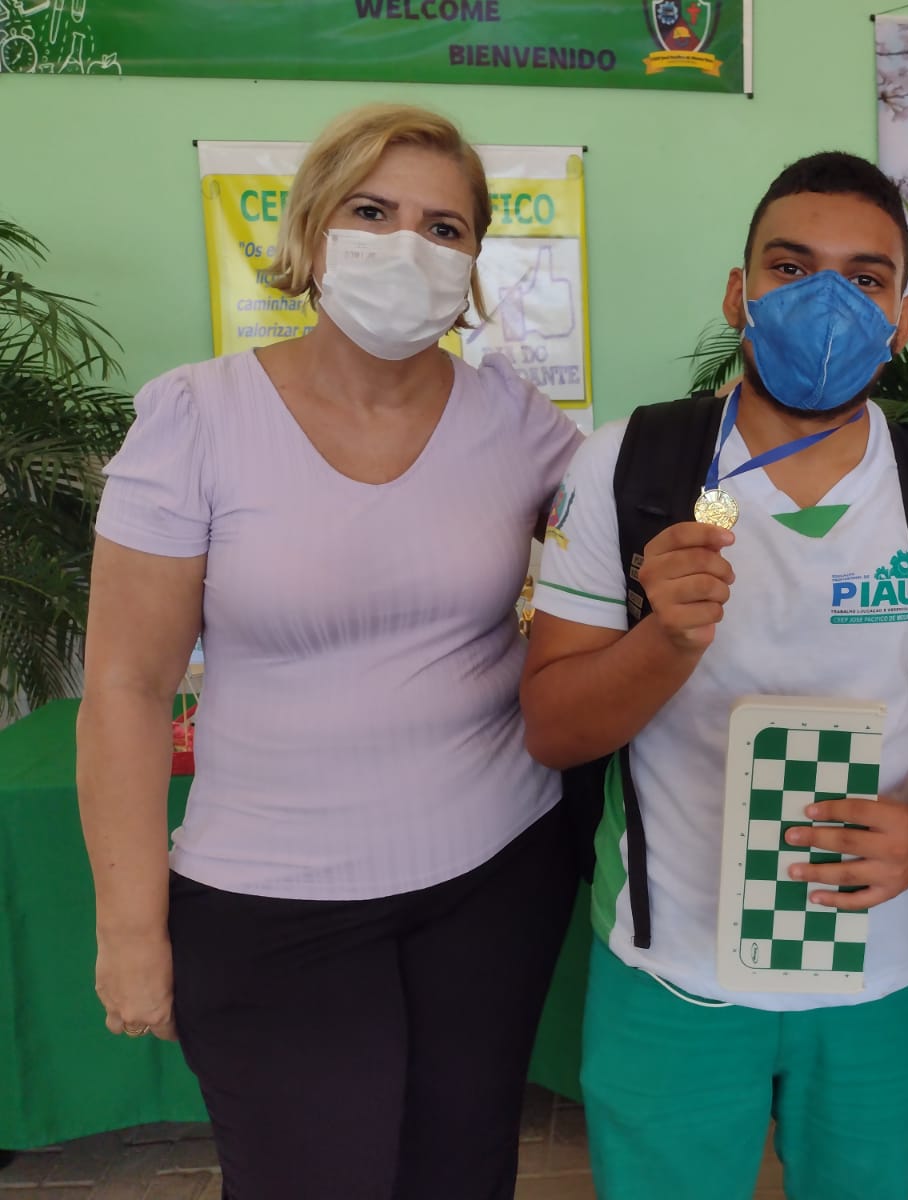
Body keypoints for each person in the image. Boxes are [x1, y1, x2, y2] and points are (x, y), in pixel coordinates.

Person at [77, 103, 584, 1200]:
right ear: (311, 232)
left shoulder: (517, 421)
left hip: (495, 880)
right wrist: (130, 931)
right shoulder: (196, 418)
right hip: (270, 906)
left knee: (461, 1176)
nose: (408, 246)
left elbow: (639, 527)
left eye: (444, 228)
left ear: (474, 262)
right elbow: (125, 686)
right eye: (372, 211)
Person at [521, 151, 908, 1200]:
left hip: (880, 977)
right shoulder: (629, 467)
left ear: (902, 320)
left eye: (865, 278)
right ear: (736, 294)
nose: (825, 302)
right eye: (790, 269)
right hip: (670, 974)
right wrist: (662, 641)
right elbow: (554, 728)